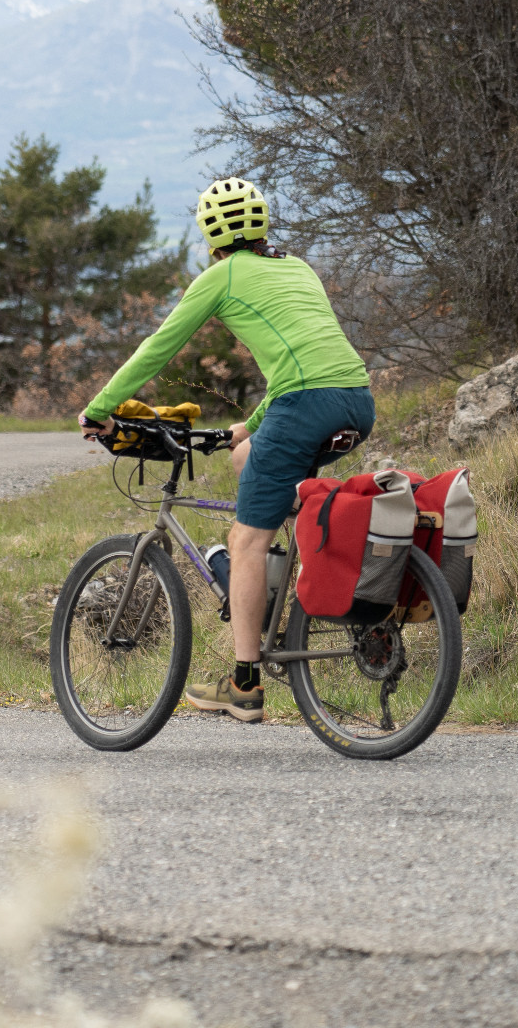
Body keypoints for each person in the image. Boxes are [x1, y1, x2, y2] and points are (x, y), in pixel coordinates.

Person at [77, 178, 373, 722]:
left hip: (305, 407)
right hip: (356, 403)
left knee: (245, 539)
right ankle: (282, 592)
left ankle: (244, 684)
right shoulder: (297, 267)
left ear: (210, 238)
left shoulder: (222, 276)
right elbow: (308, 363)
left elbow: (156, 350)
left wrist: (99, 408)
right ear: (261, 226)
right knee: (245, 459)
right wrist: (251, 425)